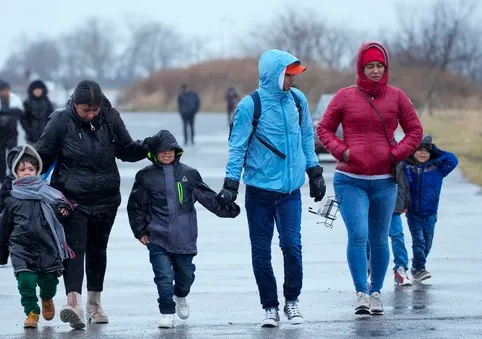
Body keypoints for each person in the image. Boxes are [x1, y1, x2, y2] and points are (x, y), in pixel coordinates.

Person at [33, 79, 159, 329]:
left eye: (95, 109)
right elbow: (42, 157)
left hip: (106, 198)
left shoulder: (110, 118)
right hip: (71, 199)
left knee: (98, 249)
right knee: (75, 249)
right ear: (74, 104)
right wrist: (19, 179)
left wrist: (150, 147)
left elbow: (126, 150)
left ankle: (95, 304)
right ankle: (73, 303)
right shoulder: (60, 121)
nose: (91, 114)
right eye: (85, 110)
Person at [217, 49, 326, 327]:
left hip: (290, 193)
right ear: (274, 75)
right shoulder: (249, 106)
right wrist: (231, 184)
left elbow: (306, 139)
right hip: (259, 193)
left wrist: (314, 171)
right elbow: (237, 147)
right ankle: (270, 307)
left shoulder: (298, 101)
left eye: (293, 75)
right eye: (288, 75)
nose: (292, 80)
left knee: (292, 246)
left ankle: (292, 301)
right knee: (261, 252)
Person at [316, 41, 423, 315]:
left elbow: (415, 131)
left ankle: (376, 293)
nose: (375, 70)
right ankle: (361, 293)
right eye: (370, 66)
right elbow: (324, 129)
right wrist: (342, 151)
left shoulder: (398, 97)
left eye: (379, 66)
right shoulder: (344, 96)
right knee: (358, 235)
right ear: (361, 68)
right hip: (349, 179)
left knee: (379, 238)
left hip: (384, 181)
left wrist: (396, 154)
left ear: (385, 68)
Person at [127, 129, 241, 328]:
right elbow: (135, 206)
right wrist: (141, 231)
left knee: (185, 276)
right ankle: (166, 311)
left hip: (184, 237)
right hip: (157, 236)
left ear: (177, 151)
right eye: (162, 150)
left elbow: (207, 196)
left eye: (171, 149)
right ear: (154, 153)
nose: (167, 153)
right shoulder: (145, 176)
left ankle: (181, 295)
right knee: (163, 276)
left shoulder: (188, 173)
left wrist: (227, 208)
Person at [0, 144, 74, 328]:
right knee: (25, 281)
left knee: (49, 282)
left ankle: (47, 297)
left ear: (37, 170)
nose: (27, 172)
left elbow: (63, 206)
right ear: (15, 173)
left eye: (31, 168)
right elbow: (3, 227)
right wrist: (0, 253)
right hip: (21, 247)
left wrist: (63, 209)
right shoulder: (12, 198)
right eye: (22, 170)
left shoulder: (48, 193)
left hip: (47, 246)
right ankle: (31, 311)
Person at [403, 134, 458, 281]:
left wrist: (436, 150)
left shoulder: (437, 169)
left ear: (431, 153)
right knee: (419, 240)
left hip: (431, 213)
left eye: (426, 151)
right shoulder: (408, 167)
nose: (422, 153)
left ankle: (417, 265)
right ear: (413, 152)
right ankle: (419, 268)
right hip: (413, 213)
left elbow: (453, 160)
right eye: (419, 150)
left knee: (427, 243)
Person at [367, 160, 412, 286]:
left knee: (397, 235)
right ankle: (368, 266)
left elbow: (404, 184)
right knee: (369, 237)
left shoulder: (398, 158)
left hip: (393, 206)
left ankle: (400, 268)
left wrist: (406, 203)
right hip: (372, 204)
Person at [0, 80, 24, 184]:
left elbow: (21, 114)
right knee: (0, 158)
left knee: (13, 156)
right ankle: (1, 180)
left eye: (6, 90)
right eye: (2, 90)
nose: (4, 92)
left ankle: (12, 177)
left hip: (11, 133)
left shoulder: (15, 101)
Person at [21, 79, 55, 145]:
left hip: (45, 136)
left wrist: (48, 130)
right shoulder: (26, 103)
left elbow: (52, 118)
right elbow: (23, 119)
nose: (38, 91)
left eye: (39, 89)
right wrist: (29, 130)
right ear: (32, 90)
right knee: (31, 154)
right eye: (36, 89)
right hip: (31, 138)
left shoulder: (48, 103)